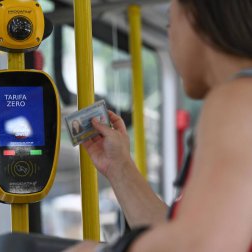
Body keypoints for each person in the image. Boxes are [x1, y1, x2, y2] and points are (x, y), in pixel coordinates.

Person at [66, 0, 252, 251]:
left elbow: (197, 246)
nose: (171, 40)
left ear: (194, 16)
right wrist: (119, 166)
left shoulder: (237, 97)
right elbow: (176, 233)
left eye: (169, 24)